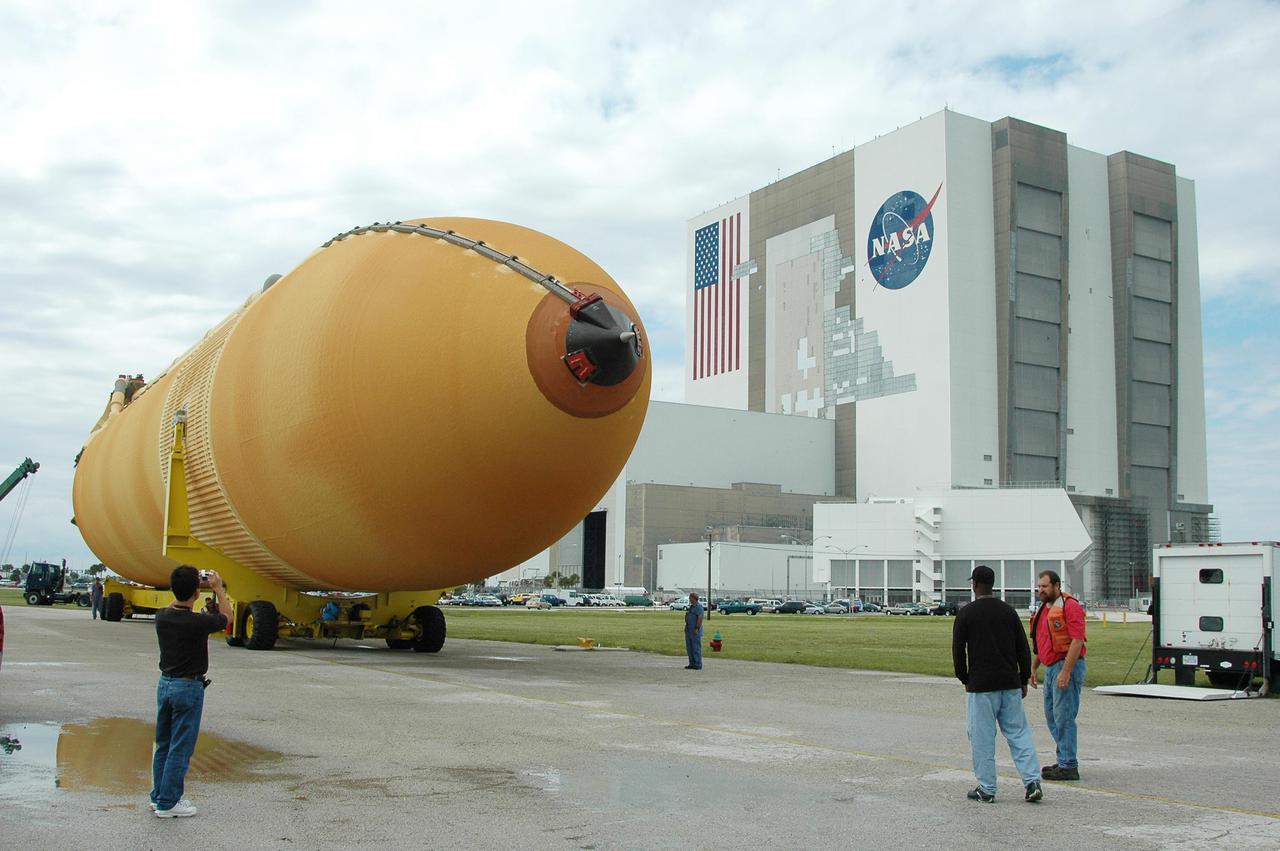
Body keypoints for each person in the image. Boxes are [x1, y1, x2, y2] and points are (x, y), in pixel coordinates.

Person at [952, 564, 1042, 804]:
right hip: (1009, 682)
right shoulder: (1008, 612)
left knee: (982, 736)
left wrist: (964, 678)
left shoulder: (967, 613)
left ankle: (988, 787)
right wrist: (1023, 677)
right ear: (992, 584)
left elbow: (958, 650)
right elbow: (1022, 647)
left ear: (974, 585)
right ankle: (1032, 781)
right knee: (1018, 732)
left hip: (982, 685)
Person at [151, 565, 230, 818]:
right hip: (188, 687)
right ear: (197, 593)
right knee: (180, 748)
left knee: (163, 744)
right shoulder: (198, 623)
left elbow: (180, 606)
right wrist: (217, 588)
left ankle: (158, 796)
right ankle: (169, 802)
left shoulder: (161, 616)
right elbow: (228, 617)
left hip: (165, 684)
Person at [1029, 569, 1087, 781]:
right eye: (1039, 586)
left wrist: (1066, 671)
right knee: (1052, 717)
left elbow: (1077, 640)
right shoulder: (1045, 608)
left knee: (1064, 717)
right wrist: (1034, 666)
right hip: (1051, 667)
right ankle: (1064, 757)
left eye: (1044, 586)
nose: (1040, 590)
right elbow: (1042, 642)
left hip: (1066, 665)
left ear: (1056, 585)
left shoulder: (1070, 606)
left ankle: (1069, 764)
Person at [684, 592, 704, 670]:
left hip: (695, 630)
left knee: (696, 647)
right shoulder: (691, 607)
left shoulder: (699, 607)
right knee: (689, 648)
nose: (689, 599)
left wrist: (697, 628)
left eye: (690, 598)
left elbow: (700, 618)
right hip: (688, 630)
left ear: (694, 598)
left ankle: (698, 664)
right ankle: (691, 663)